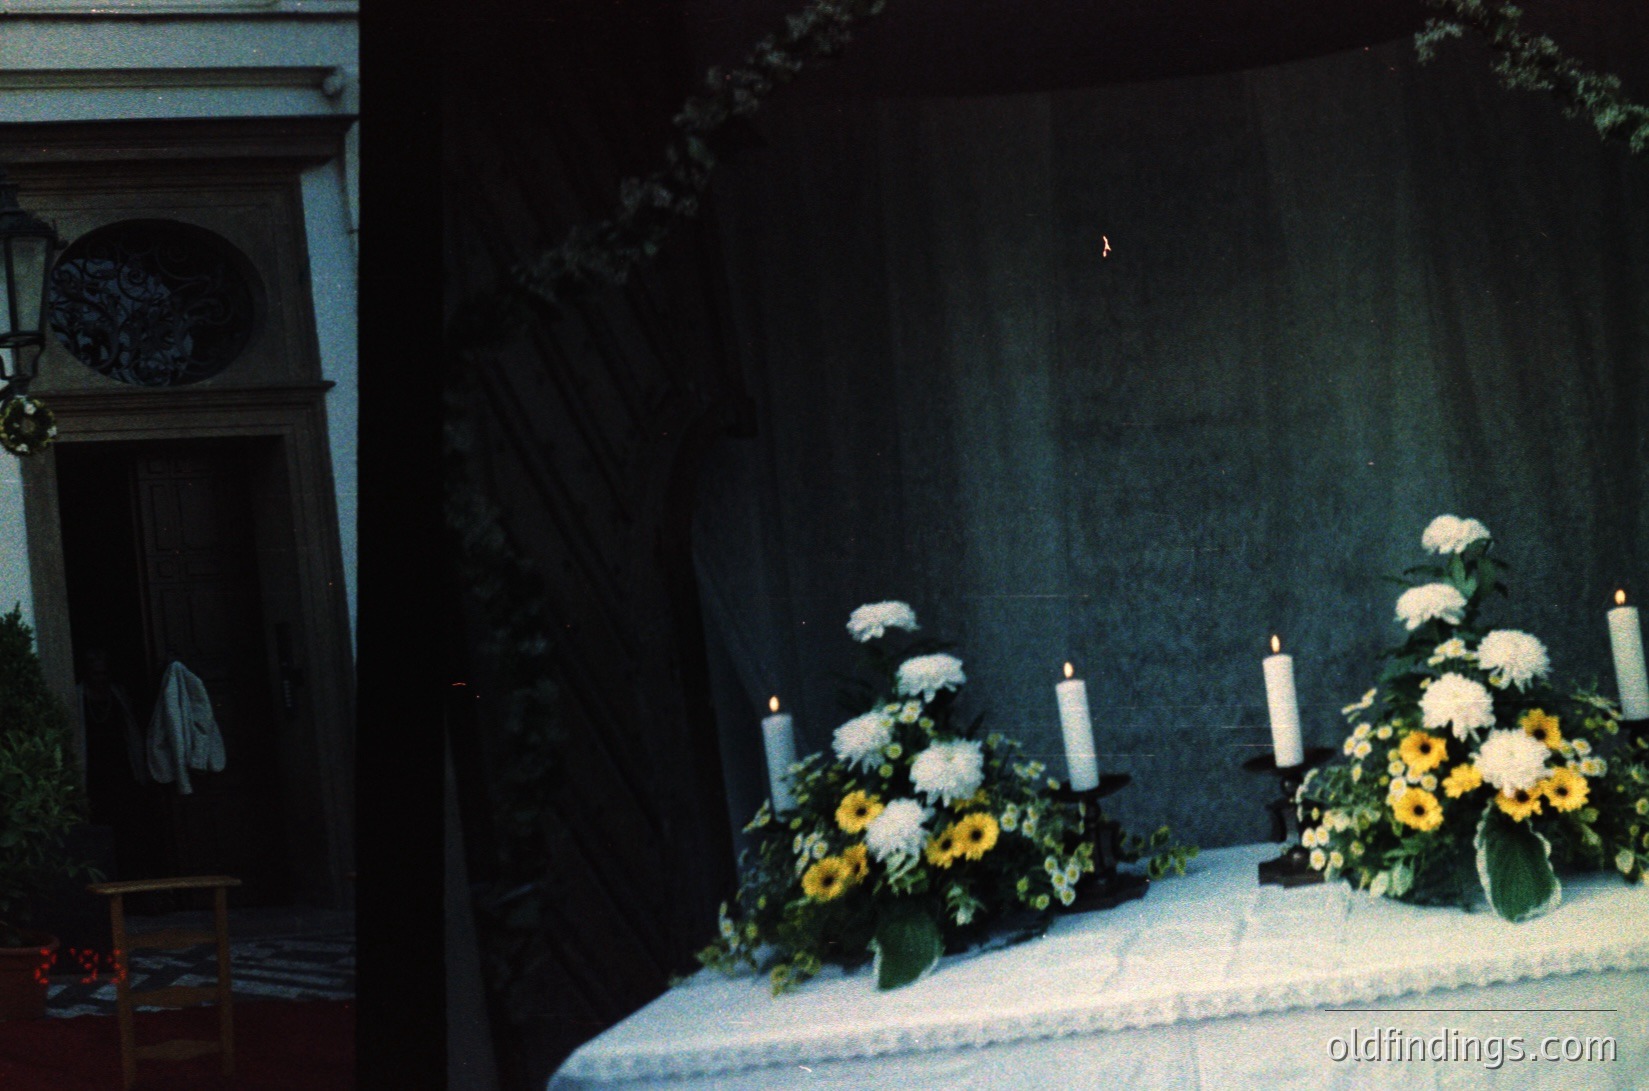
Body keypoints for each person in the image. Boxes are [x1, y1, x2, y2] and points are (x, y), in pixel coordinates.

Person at [76, 648, 158, 878]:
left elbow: (131, 731)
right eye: (95, 674)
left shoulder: (118, 695)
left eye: (104, 674)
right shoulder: (77, 697)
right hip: (94, 771)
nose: (100, 679)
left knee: (128, 826)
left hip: (122, 770)